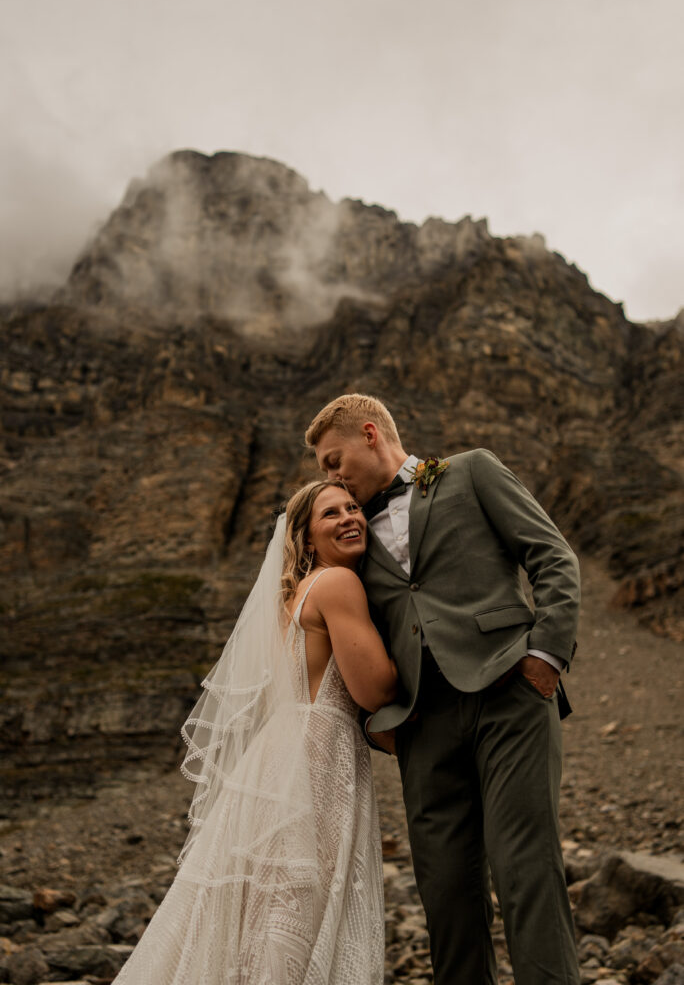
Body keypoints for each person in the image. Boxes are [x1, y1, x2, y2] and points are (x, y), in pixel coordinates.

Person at [306, 393, 582, 985]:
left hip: (510, 691)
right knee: (444, 888)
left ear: (371, 434)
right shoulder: (348, 534)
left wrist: (545, 656)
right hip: (421, 724)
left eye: (334, 460)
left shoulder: (472, 470)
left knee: (524, 865)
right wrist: (380, 721)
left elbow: (553, 557)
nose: (331, 476)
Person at [112, 478, 397, 985]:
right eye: (330, 514)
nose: (350, 517)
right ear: (307, 539)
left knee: (263, 908)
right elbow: (373, 689)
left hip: (275, 759)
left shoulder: (293, 596)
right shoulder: (338, 583)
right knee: (305, 904)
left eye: (353, 507)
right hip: (317, 760)